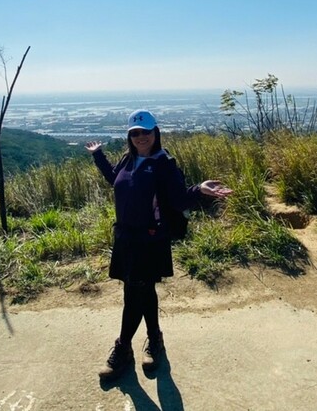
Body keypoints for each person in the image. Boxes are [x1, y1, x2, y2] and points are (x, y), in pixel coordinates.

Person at [86, 109, 232, 380]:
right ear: (130, 136)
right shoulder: (128, 160)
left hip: (150, 239)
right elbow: (114, 181)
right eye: (135, 133)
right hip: (126, 238)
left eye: (146, 132)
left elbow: (178, 199)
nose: (141, 137)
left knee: (133, 295)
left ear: (156, 133)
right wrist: (98, 156)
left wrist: (199, 190)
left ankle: (123, 348)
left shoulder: (164, 163)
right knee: (142, 291)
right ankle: (155, 339)